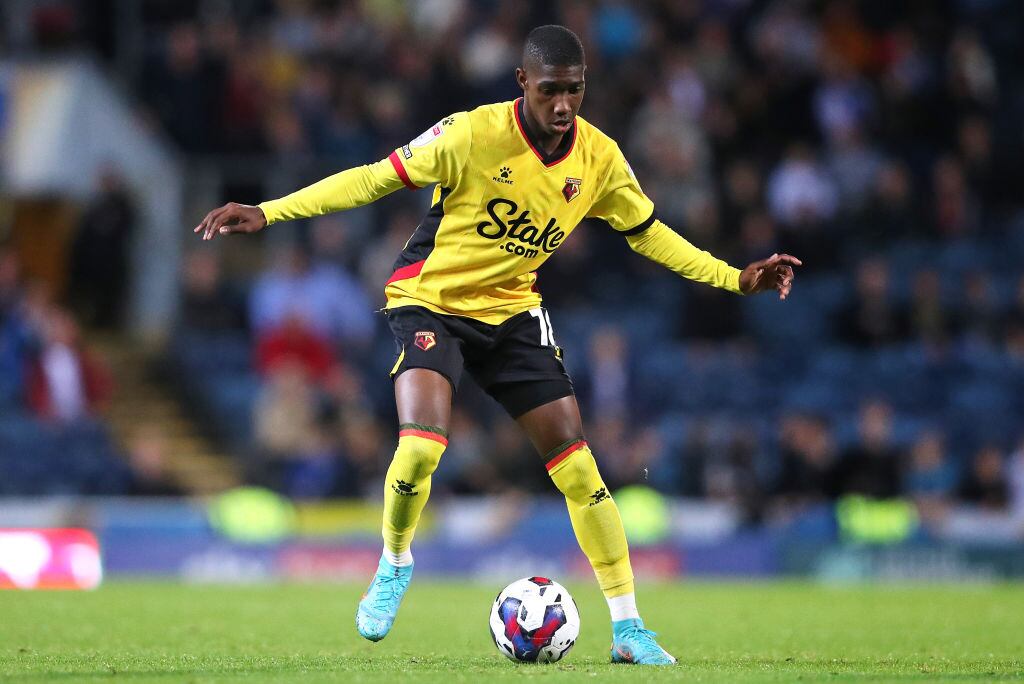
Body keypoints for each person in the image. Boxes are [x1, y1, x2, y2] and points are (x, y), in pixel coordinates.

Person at [195, 25, 799, 665]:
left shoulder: (599, 160)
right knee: (422, 446)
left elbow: (649, 233)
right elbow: (373, 179)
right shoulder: (470, 134)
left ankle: (628, 629)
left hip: (513, 314)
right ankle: (396, 560)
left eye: (574, 90)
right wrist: (269, 211)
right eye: (549, 91)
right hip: (431, 299)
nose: (563, 104)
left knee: (579, 468)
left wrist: (733, 277)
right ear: (523, 84)